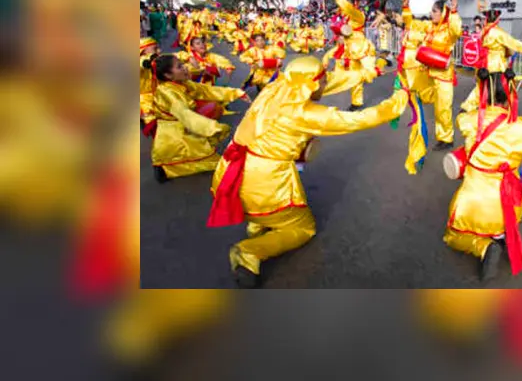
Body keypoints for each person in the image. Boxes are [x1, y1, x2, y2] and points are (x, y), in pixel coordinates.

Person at [207, 56, 410, 287]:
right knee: (303, 227)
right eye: (321, 82)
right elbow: (356, 120)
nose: (325, 85)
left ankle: (257, 225)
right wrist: (398, 101)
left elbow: (328, 80)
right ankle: (250, 252)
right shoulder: (302, 113)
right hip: (263, 180)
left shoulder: (277, 86)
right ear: (311, 84)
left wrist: (367, 72)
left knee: (263, 210)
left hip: (232, 169)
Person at [444, 68, 522, 281]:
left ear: (483, 93)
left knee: (452, 236)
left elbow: (461, 119)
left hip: (475, 202)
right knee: (505, 217)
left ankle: (484, 246)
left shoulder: (470, 121)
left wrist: (477, 96)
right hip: (512, 202)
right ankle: (502, 234)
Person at [149, 54, 248, 182]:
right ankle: (165, 168)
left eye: (182, 64)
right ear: (168, 75)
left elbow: (206, 90)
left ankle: (166, 166)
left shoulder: (182, 84)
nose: (185, 68)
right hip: (173, 134)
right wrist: (213, 127)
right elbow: (187, 116)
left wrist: (236, 93)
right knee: (212, 162)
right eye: (179, 67)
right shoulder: (167, 93)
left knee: (214, 108)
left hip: (182, 125)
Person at [459, 7, 522, 112]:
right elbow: (514, 43)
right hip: (497, 66)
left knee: (481, 88)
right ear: (498, 19)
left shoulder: (484, 31)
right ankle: (499, 114)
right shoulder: (498, 32)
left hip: (484, 64)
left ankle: (468, 107)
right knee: (500, 91)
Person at [419, 0, 463, 150]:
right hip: (430, 73)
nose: (432, 14)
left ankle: (446, 138)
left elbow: (457, 30)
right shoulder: (430, 27)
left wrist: (455, 11)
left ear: (442, 13)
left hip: (444, 75)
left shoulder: (448, 31)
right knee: (436, 108)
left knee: (443, 109)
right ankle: (442, 136)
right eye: (431, 11)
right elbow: (413, 24)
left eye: (434, 11)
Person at [321, 0, 378, 110]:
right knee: (354, 76)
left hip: (361, 49)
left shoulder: (358, 15)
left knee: (370, 73)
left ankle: (382, 62)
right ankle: (357, 102)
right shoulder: (346, 18)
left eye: (349, 3)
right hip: (349, 49)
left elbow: (346, 6)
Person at [139, 37, 160, 136]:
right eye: (155, 48)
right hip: (144, 102)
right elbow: (142, 63)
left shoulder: (155, 60)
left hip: (157, 96)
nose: (159, 51)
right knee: (154, 128)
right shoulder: (143, 61)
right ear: (143, 51)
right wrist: (148, 60)